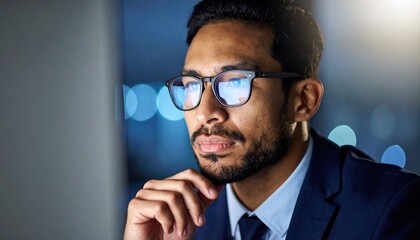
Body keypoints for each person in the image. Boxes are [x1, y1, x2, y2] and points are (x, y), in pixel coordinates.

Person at [124, 0, 420, 239]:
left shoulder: (390, 210)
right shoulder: (178, 224)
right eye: (192, 86)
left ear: (303, 100)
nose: (205, 111)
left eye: (235, 83)